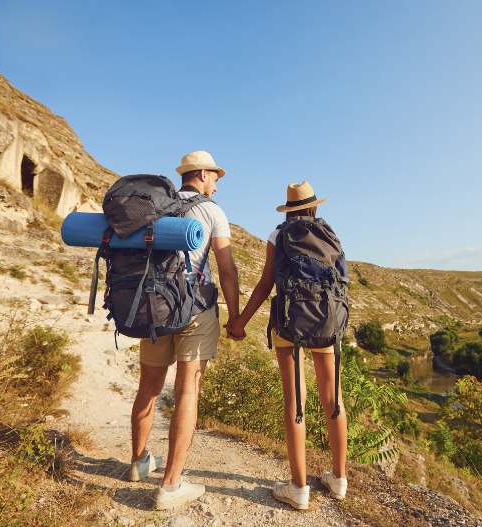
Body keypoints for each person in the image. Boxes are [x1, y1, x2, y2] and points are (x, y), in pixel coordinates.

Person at [128, 151, 242, 510]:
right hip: (193, 310)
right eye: (215, 178)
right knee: (187, 390)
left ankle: (138, 462)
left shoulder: (158, 205)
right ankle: (171, 485)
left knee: (148, 385)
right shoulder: (211, 211)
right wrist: (235, 317)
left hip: (153, 308)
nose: (217, 185)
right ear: (203, 174)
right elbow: (226, 270)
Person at [225, 181, 348, 510]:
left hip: (290, 323)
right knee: (333, 397)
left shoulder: (278, 236)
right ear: (314, 207)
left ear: (289, 209)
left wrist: (239, 322)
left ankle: (298, 488)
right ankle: (338, 481)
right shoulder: (330, 234)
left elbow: (266, 284)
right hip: (326, 321)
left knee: (296, 402)